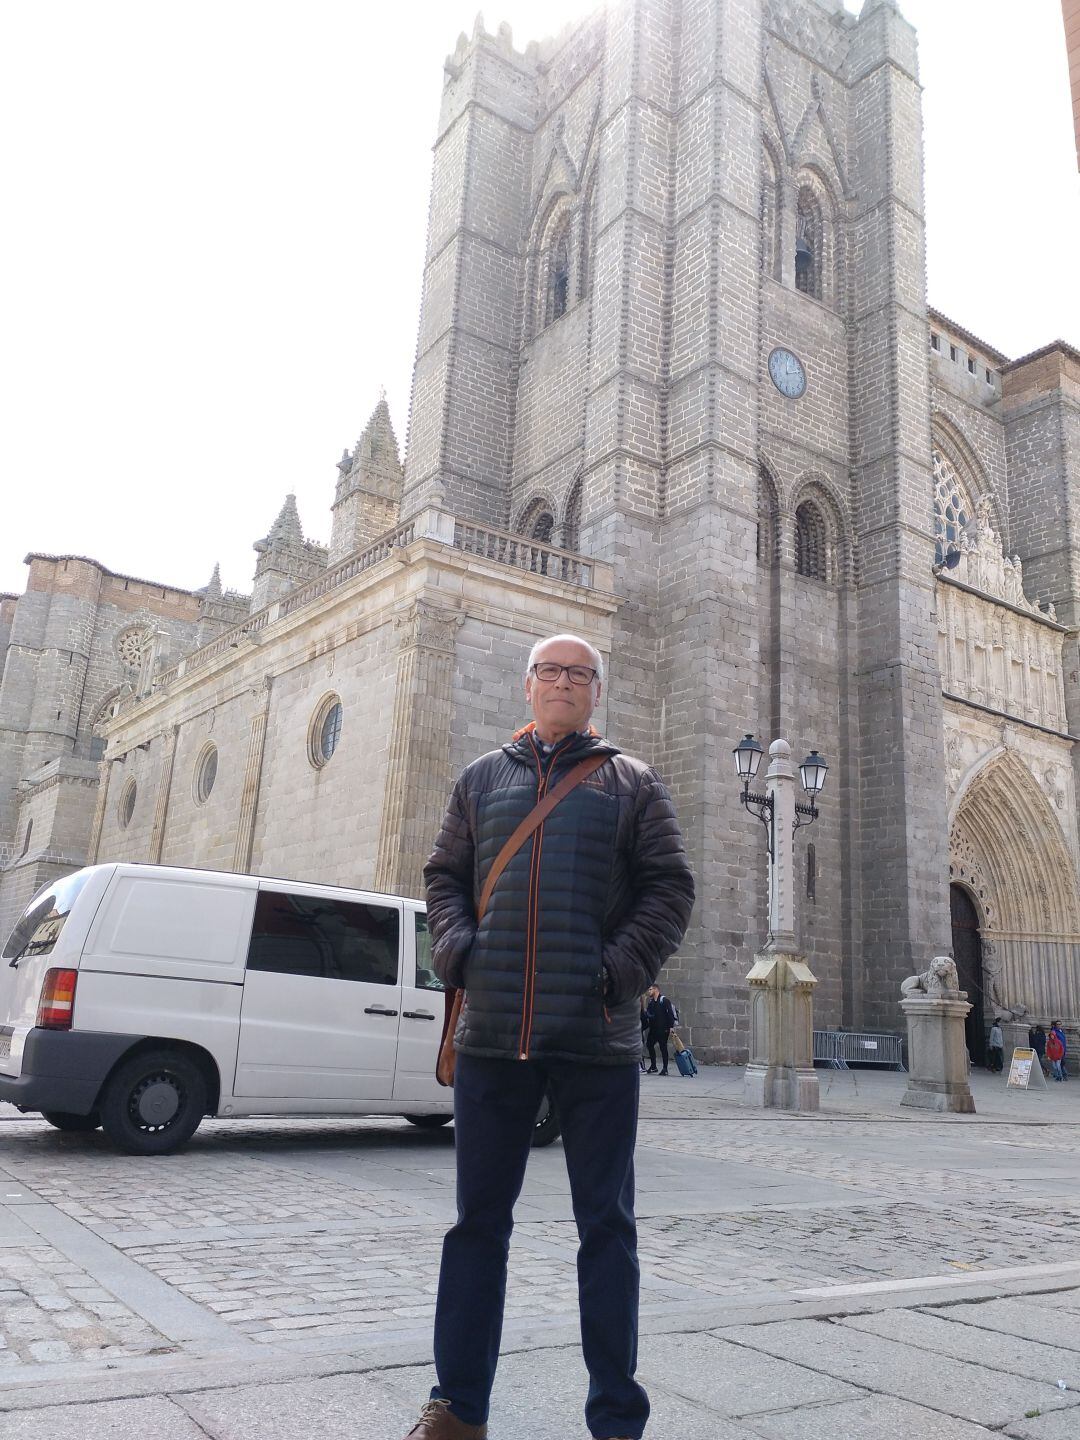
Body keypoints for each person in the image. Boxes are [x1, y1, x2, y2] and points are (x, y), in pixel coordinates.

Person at [405, 633, 695, 1440]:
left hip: (595, 1037)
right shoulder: (479, 779)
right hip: (494, 1037)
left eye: (579, 673)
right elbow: (443, 878)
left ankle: (615, 1418)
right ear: (527, 685)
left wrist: (616, 971)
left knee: (606, 1229)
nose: (563, 682)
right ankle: (458, 1409)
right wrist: (459, 947)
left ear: (595, 692)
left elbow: (670, 888)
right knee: (475, 1228)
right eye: (549, 671)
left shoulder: (632, 783)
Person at [644, 984, 677, 1076]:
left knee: (663, 1048)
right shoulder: (651, 1002)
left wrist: (671, 1027)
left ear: (656, 990)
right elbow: (649, 1013)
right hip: (653, 1029)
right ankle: (654, 1066)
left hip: (663, 1029)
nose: (649, 991)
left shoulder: (664, 1000)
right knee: (649, 1044)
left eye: (650, 989)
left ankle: (665, 1068)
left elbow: (670, 1013)